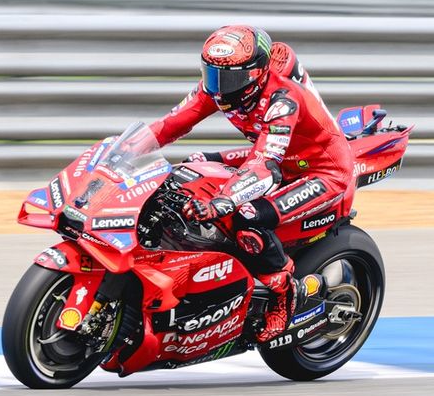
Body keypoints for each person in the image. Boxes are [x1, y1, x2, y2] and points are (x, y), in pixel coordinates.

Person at [147, 25, 355, 342]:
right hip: (280, 156)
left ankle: (285, 296)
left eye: (226, 77)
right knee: (190, 168)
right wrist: (118, 151)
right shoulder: (215, 88)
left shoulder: (283, 99)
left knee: (246, 216)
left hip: (318, 170)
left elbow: (264, 166)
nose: (217, 86)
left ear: (254, 73)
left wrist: (222, 201)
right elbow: (169, 125)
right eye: (211, 73)